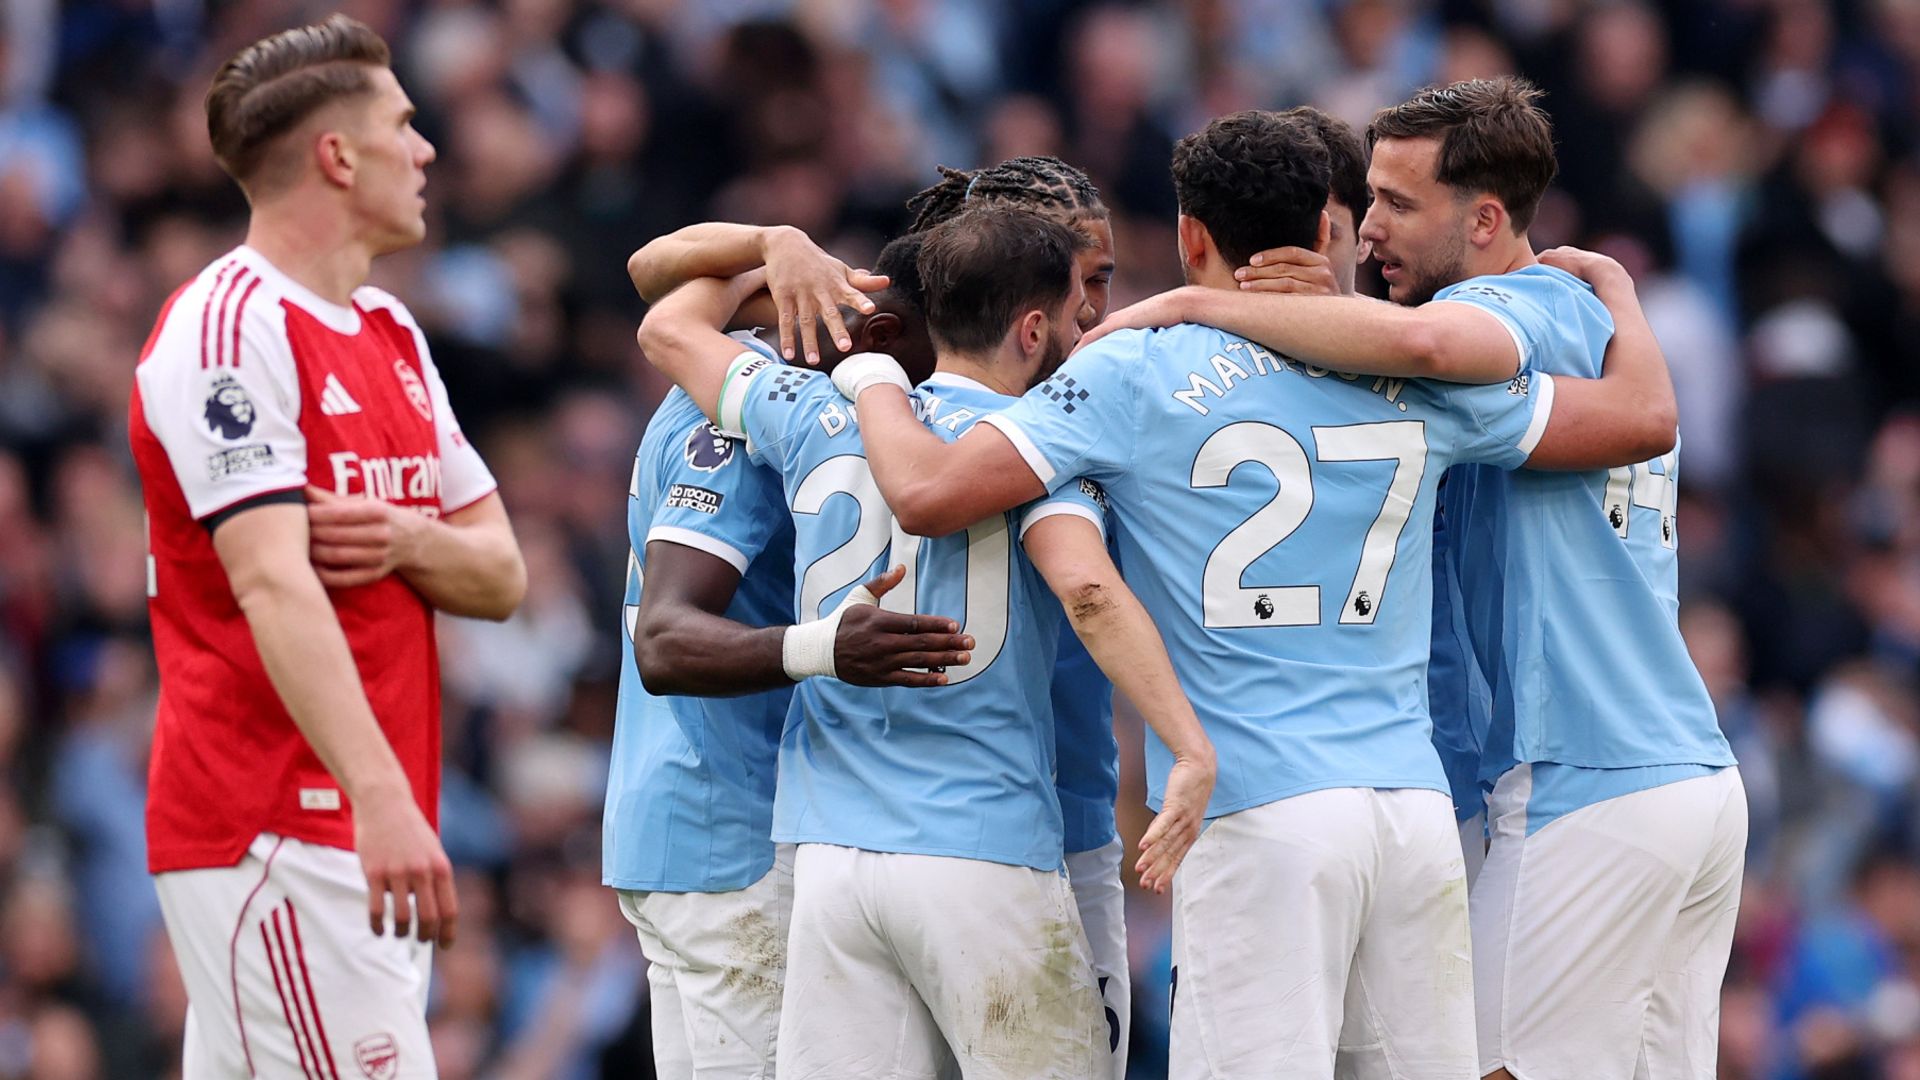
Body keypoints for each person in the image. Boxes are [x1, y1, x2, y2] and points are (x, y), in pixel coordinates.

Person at [829, 109, 1675, 1078]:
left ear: (1190, 236)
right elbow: (1636, 421)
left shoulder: (1131, 368)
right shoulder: (1404, 362)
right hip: (1410, 815)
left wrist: (873, 378)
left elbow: (932, 493)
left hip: (1257, 809)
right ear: (1323, 230)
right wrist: (1619, 295)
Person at [1089, 79, 1748, 1080]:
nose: (1369, 229)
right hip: (1688, 776)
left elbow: (1430, 345)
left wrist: (1197, 305)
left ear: (1484, 221)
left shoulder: (1505, 311)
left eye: (1397, 203)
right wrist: (1615, 287)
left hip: (1582, 778)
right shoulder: (1596, 320)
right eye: (1366, 202)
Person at [642, 204, 1216, 1079]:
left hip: (830, 860)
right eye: (1074, 314)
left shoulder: (811, 411)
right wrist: (1187, 745)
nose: (1083, 334)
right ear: (1032, 329)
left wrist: (785, 262)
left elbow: (668, 325)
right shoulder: (1033, 450)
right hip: (983, 848)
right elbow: (1090, 593)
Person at [129, 16, 524, 1078]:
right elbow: (272, 584)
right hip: (278, 824)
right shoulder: (226, 332)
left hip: (356, 827)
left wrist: (403, 537)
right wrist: (379, 796)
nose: (425, 149)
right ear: (338, 155)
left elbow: (500, 575)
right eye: (404, 124)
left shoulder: (391, 333)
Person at [605, 231, 969, 1080]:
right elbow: (665, 637)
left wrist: (772, 252)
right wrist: (827, 648)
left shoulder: (720, 369)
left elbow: (661, 282)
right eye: (932, 359)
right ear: (880, 334)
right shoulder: (750, 423)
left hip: (675, 822)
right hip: (734, 832)